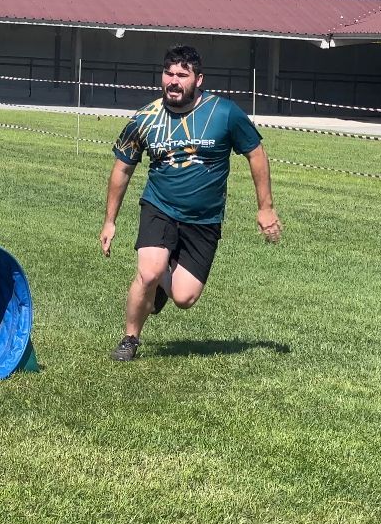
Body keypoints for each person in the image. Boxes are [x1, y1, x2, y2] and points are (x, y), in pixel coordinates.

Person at [100, 45, 280, 362]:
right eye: (169, 73)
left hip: (204, 219)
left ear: (198, 79)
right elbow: (123, 169)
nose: (173, 80)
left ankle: (159, 284)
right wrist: (110, 220)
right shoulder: (144, 118)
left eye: (182, 75)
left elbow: (256, 154)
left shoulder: (225, 113)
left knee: (184, 297)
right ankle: (130, 338)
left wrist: (264, 207)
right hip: (160, 207)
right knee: (149, 271)